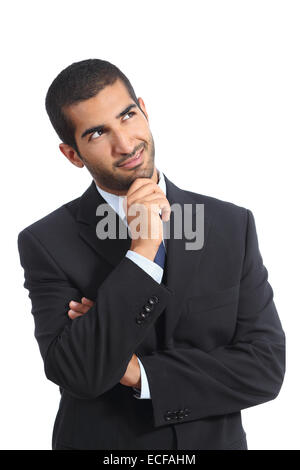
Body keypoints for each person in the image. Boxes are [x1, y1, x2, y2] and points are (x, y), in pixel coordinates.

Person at [17, 59, 285, 450]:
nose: (125, 144)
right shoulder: (47, 242)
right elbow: (79, 373)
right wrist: (142, 251)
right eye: (96, 133)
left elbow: (265, 369)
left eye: (127, 115)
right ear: (72, 154)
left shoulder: (231, 226)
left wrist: (137, 371)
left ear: (144, 108)